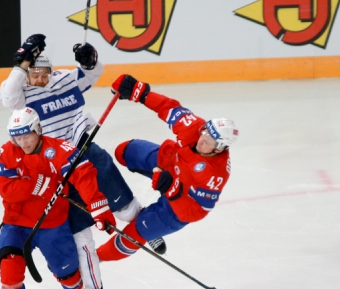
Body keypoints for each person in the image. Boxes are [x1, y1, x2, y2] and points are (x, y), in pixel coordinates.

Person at [0, 34, 166, 289]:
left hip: (86, 152)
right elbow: (8, 93)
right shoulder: (22, 96)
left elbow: (92, 73)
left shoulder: (64, 79)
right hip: (57, 169)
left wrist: (90, 59)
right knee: (80, 235)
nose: (39, 79)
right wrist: (22, 62)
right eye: (33, 73)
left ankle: (147, 229)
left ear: (52, 71)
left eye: (43, 73)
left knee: (122, 204)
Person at [0, 107, 116, 289]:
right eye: (17, 138)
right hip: (16, 223)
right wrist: (38, 185)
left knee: (66, 270)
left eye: (27, 136)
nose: (22, 143)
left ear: (38, 130)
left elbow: (83, 175)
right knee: (9, 269)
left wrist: (98, 206)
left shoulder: (59, 149)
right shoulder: (7, 151)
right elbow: (5, 189)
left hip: (52, 223)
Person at [95, 74, 237, 262]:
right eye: (205, 132)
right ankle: (144, 220)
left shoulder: (215, 175)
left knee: (134, 234)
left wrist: (172, 191)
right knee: (123, 152)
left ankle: (94, 260)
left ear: (219, 148)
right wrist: (139, 92)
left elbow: (196, 212)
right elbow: (168, 107)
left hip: (177, 205)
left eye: (209, 140)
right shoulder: (195, 128)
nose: (202, 139)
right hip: (169, 162)